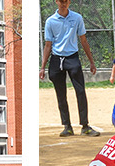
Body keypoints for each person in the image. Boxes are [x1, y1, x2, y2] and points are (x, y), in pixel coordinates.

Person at [43, 0, 100, 137]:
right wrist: (43, 67)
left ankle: (85, 126)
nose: (63, 3)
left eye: (66, 1)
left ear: (69, 2)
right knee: (61, 95)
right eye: (61, 1)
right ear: (56, 1)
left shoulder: (77, 18)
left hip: (72, 58)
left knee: (80, 91)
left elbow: (83, 41)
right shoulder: (50, 21)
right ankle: (67, 126)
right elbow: (48, 45)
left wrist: (91, 62)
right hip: (57, 60)